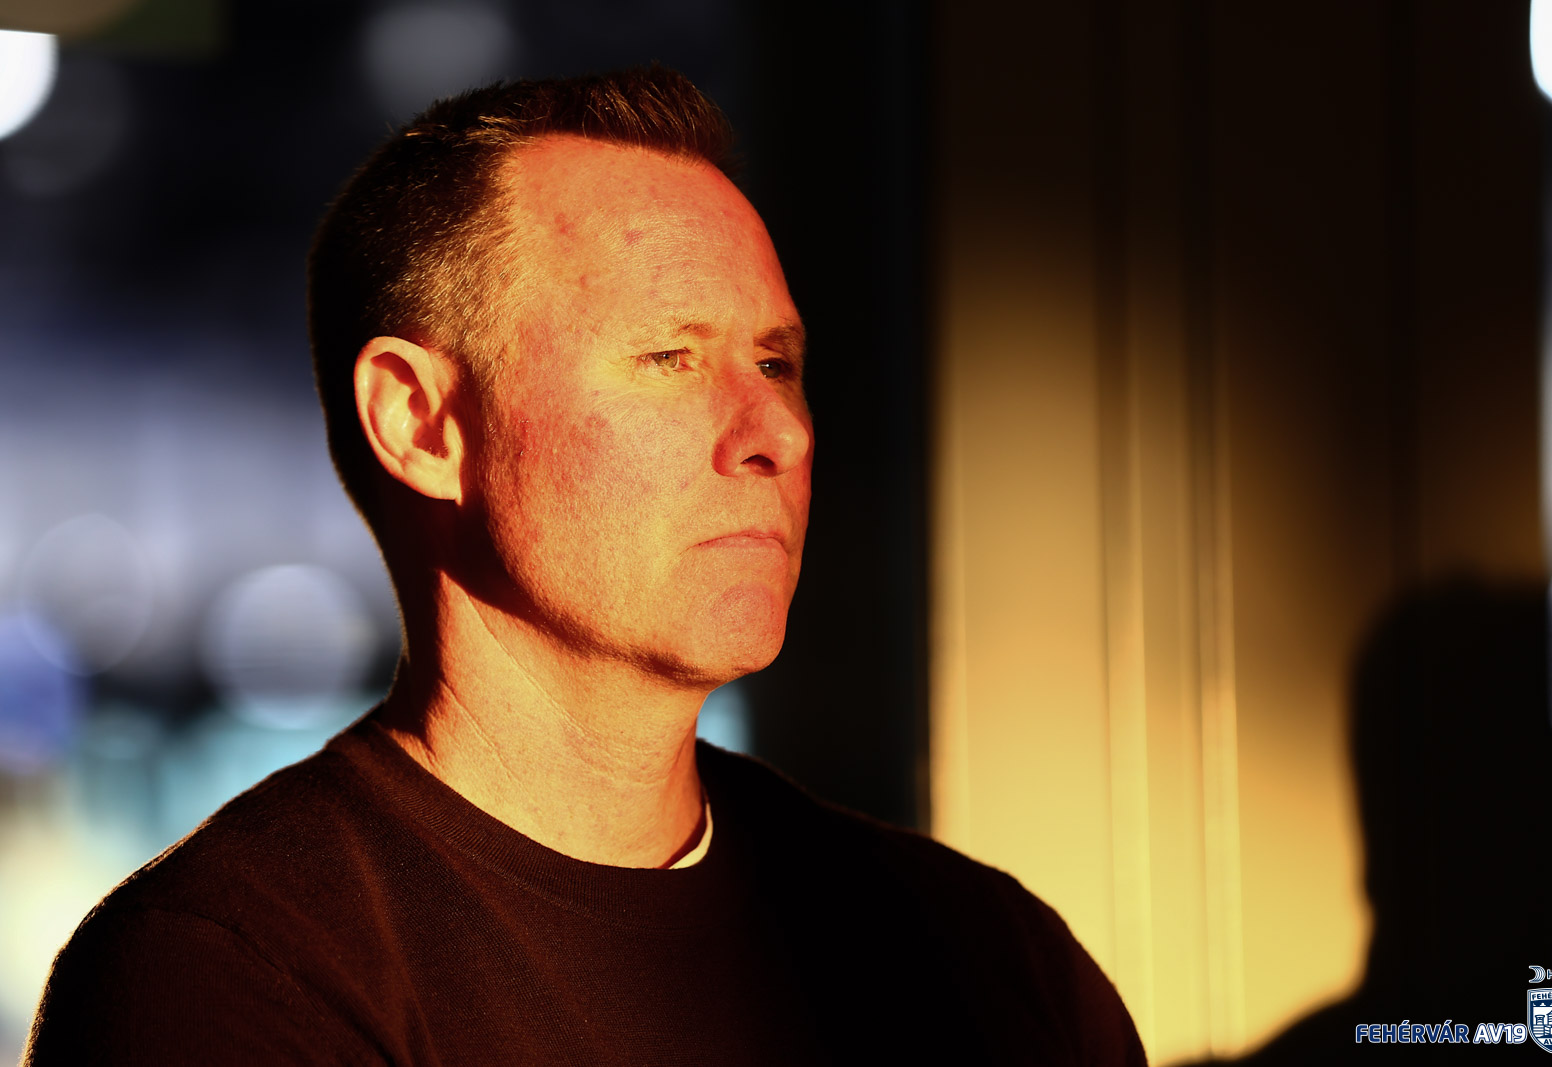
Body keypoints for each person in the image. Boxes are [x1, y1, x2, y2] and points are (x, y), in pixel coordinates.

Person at [25, 67, 1145, 1065]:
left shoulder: (988, 957)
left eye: (776, 362)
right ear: (421, 423)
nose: (780, 433)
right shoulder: (228, 977)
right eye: (669, 357)